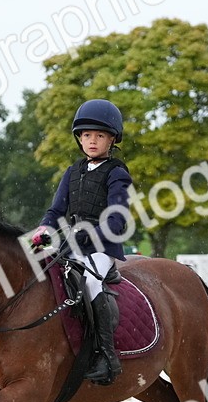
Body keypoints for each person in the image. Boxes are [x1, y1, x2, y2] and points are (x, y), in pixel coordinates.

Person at [31, 99, 132, 385]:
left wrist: (88, 233)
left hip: (102, 248)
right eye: (86, 135)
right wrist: (43, 230)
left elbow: (116, 221)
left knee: (90, 283)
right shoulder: (72, 172)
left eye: (99, 135)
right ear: (79, 138)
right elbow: (55, 211)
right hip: (71, 246)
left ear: (112, 140)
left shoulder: (117, 174)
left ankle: (107, 356)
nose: (92, 140)